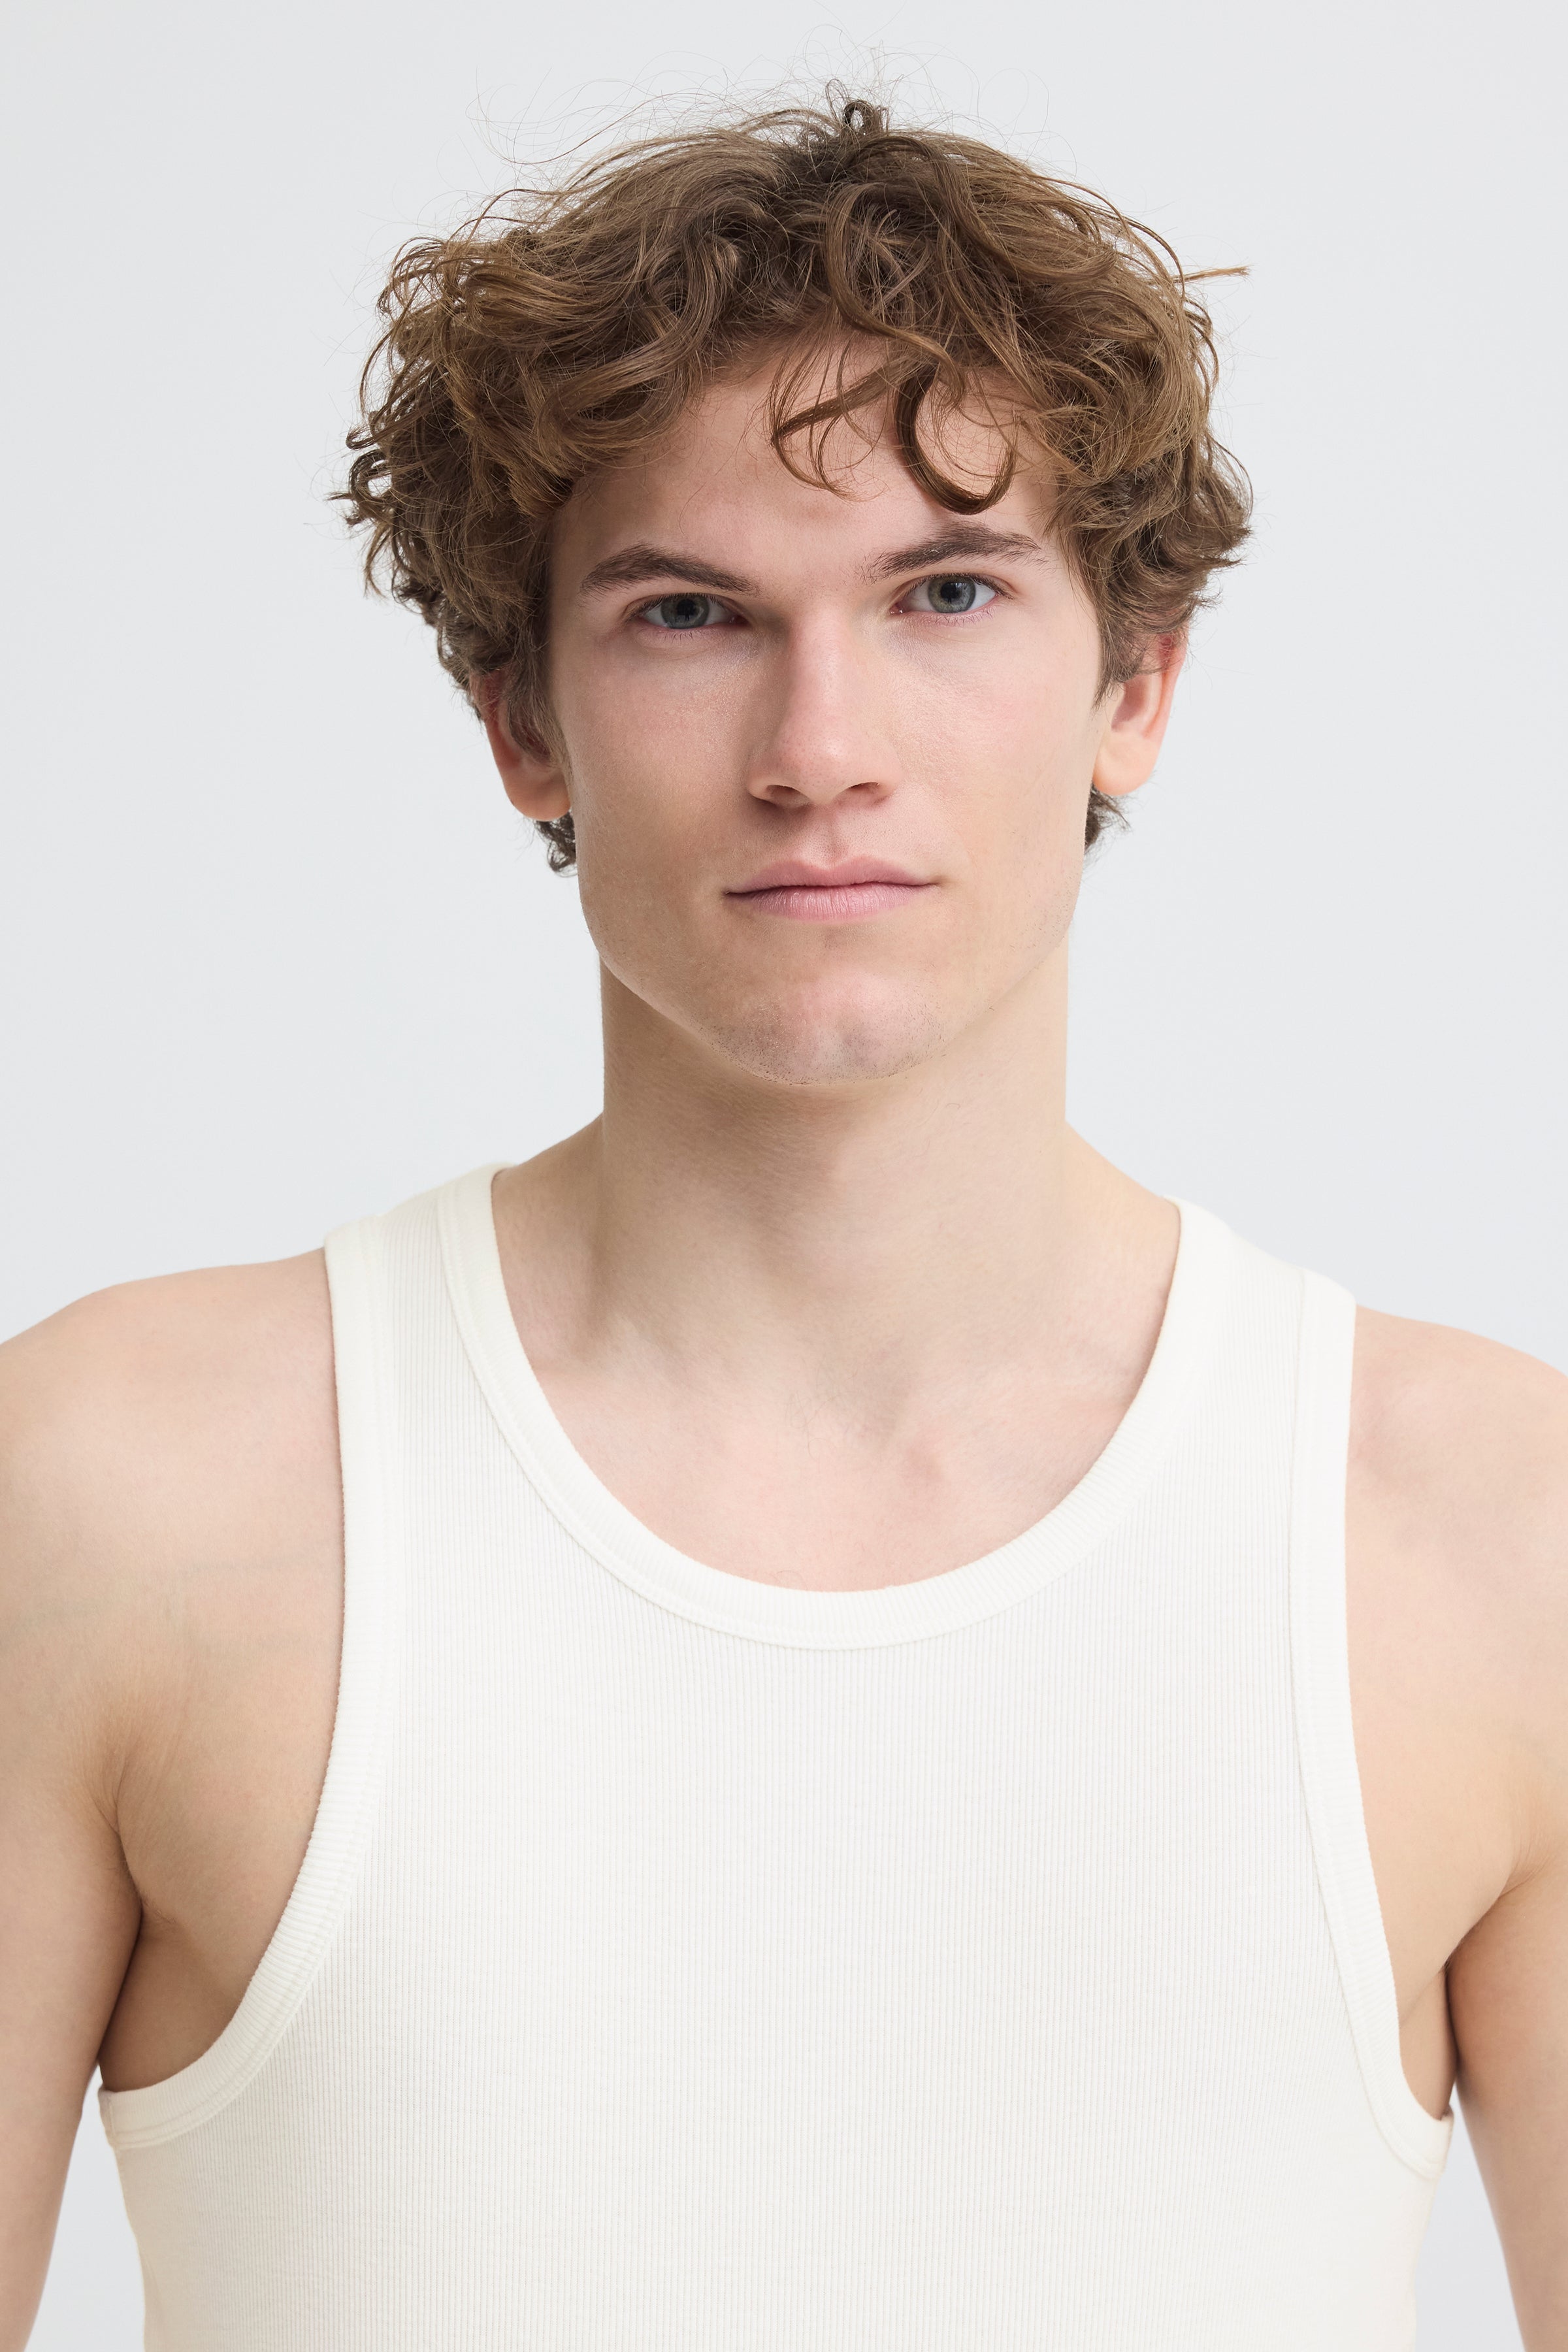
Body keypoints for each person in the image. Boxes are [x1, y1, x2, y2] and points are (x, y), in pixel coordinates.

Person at [1, 95, 1563, 2352]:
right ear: (521, 722)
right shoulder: (114, 1495)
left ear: (1135, 684)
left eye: (946, 594)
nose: (821, 746)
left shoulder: (1490, 1540)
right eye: (689, 614)